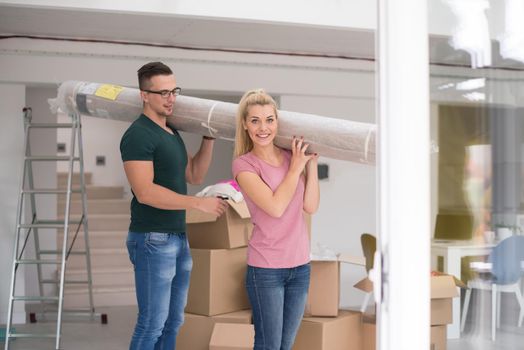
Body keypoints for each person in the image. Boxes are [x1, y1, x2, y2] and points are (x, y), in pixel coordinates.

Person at [119, 61, 228, 350]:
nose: (171, 99)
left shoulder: (171, 132)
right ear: (144, 95)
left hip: (177, 236)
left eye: (174, 91)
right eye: (163, 93)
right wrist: (198, 204)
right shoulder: (138, 135)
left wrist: (208, 138)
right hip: (152, 238)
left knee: (173, 321)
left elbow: (194, 175)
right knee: (152, 322)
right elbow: (145, 192)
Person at [232, 89, 320, 349]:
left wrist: (310, 166)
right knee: (269, 345)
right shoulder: (244, 165)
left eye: (269, 120)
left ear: (277, 123)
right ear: (246, 126)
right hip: (266, 268)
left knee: (286, 345)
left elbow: (310, 206)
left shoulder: (291, 158)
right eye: (255, 120)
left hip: (301, 265)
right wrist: (295, 169)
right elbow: (275, 207)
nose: (263, 127)